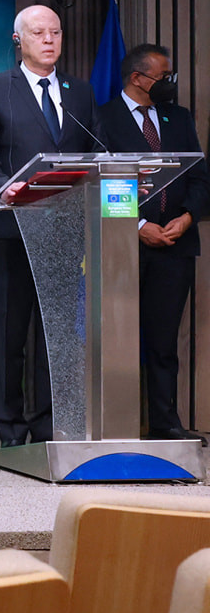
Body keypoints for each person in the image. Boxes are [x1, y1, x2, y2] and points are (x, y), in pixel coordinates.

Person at [0, 3, 97, 448]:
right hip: (10, 231)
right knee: (10, 333)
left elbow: (93, 153)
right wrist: (9, 191)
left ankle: (47, 426)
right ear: (18, 39)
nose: (49, 40)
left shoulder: (81, 94)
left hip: (63, 231)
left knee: (54, 335)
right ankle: (10, 429)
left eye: (56, 32)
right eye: (39, 32)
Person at [97, 43, 210, 440]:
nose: (170, 84)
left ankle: (166, 424)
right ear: (137, 78)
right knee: (118, 340)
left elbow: (199, 176)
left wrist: (187, 217)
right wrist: (138, 224)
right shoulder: (102, 117)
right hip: (123, 247)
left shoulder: (178, 117)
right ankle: (115, 425)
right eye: (164, 77)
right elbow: (99, 181)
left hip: (176, 244)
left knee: (164, 342)